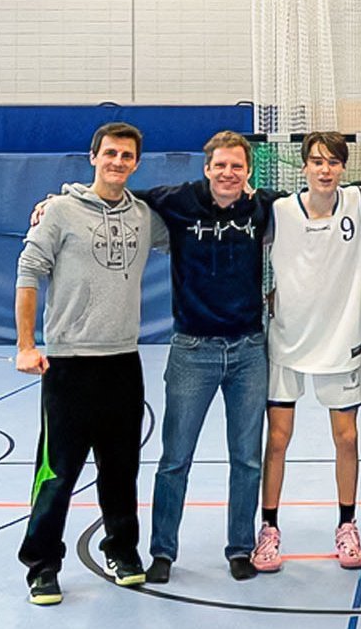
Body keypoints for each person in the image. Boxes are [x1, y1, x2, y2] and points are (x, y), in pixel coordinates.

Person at [15, 122, 168, 606]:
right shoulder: (59, 211)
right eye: (110, 154)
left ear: (137, 163)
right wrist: (25, 344)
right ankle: (42, 563)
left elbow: (191, 223)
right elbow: (28, 272)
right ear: (93, 156)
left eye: (127, 156)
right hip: (68, 365)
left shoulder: (146, 217)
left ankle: (121, 551)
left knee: (121, 469)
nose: (117, 162)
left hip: (123, 361)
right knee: (56, 472)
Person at [140, 131, 280, 583]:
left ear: (248, 172)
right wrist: (58, 200)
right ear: (206, 168)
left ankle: (240, 547)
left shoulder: (262, 208)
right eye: (220, 166)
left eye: (237, 167)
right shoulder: (177, 201)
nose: (228, 174)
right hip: (192, 351)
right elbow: (114, 195)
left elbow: (316, 201)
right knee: (175, 457)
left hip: (248, 350)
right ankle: (162, 551)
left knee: (247, 458)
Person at [251, 132, 361, 573]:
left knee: (348, 439)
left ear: (343, 167)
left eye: (334, 162)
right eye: (317, 161)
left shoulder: (360, 203)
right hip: (287, 343)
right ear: (303, 166)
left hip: (340, 344)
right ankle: (269, 529)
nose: (325, 169)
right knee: (278, 439)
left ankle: (347, 525)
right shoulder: (279, 211)